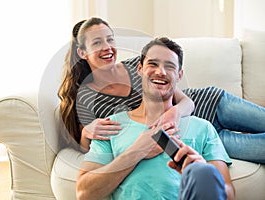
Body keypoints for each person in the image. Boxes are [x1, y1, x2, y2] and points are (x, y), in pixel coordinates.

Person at [58, 17, 265, 163]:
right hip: (197, 135)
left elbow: (187, 101)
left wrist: (175, 112)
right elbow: (89, 149)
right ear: (82, 52)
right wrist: (86, 133)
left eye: (110, 39)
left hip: (215, 103)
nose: (108, 47)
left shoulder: (137, 66)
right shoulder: (87, 99)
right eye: (97, 42)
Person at [76, 37, 235, 200]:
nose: (161, 72)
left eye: (170, 66)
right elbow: (84, 193)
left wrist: (205, 178)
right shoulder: (111, 126)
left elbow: (228, 194)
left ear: (179, 75)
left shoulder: (203, 128)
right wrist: (137, 151)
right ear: (139, 69)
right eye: (153, 64)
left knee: (203, 172)